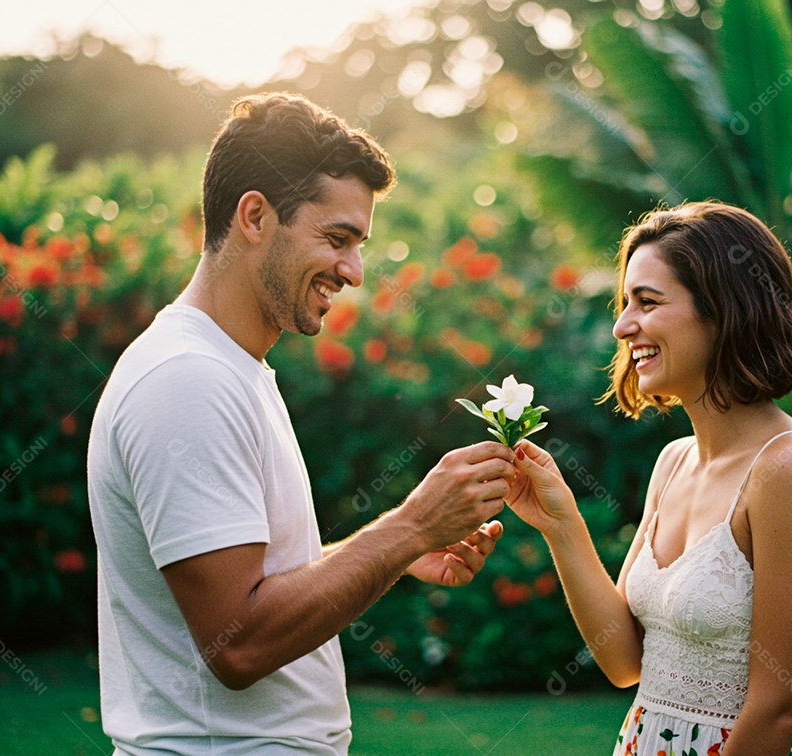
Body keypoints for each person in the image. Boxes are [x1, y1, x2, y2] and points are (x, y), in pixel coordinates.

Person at [86, 92, 515, 754]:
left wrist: (402, 550)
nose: (354, 271)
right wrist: (412, 524)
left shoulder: (232, 369)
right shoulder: (187, 381)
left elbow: (258, 587)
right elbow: (240, 641)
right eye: (336, 239)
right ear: (255, 216)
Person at [507, 202, 792, 755]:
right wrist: (559, 522)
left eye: (648, 301)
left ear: (723, 310)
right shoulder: (673, 463)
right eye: (624, 303)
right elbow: (624, 663)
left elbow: (781, 709)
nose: (621, 326)